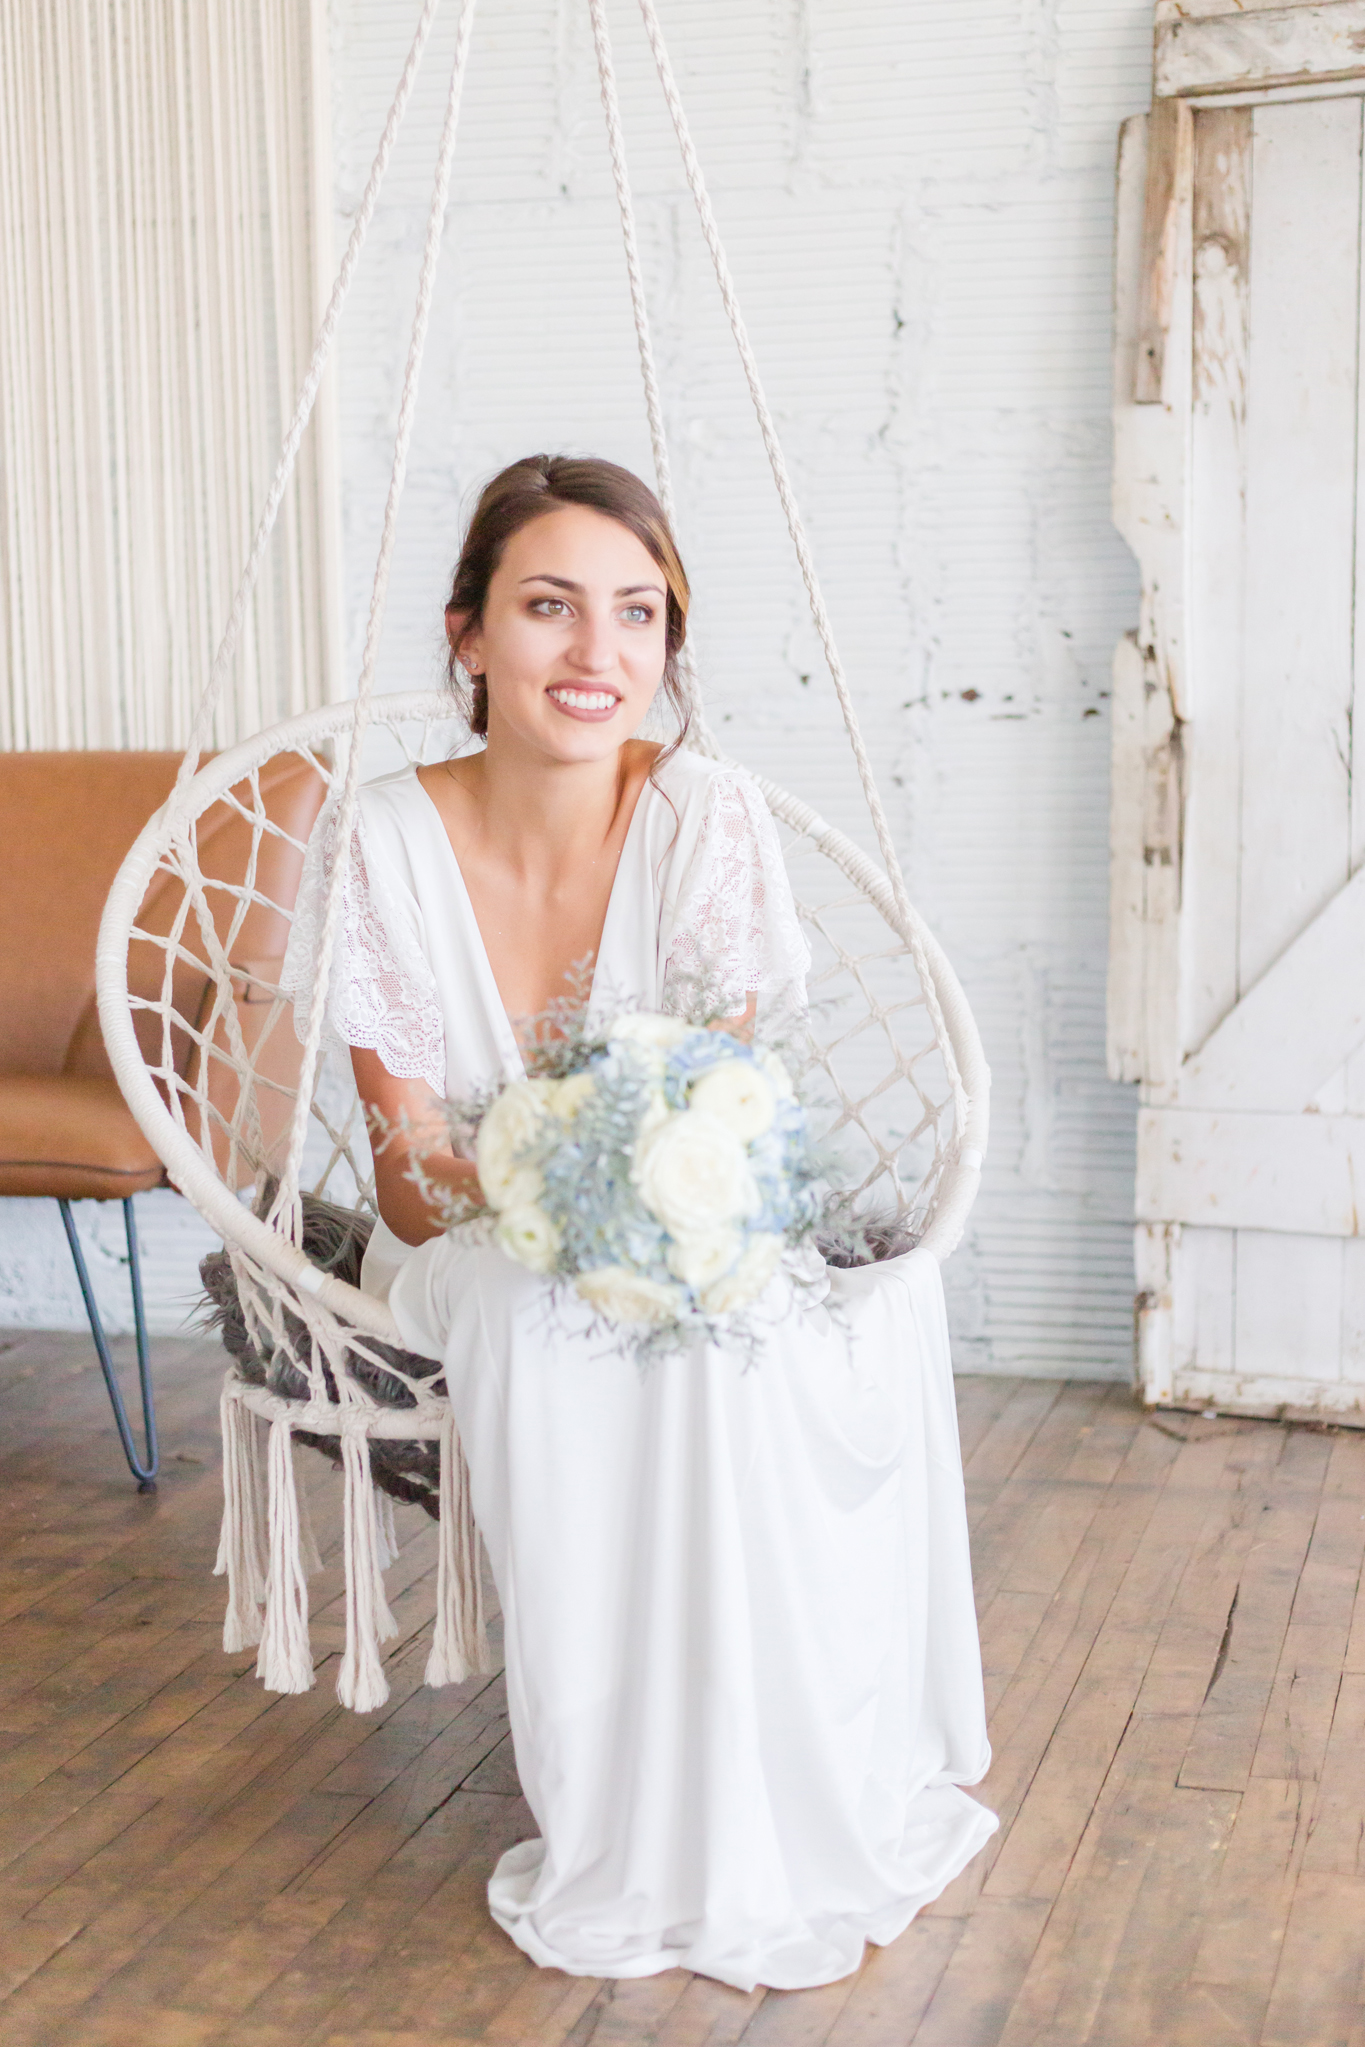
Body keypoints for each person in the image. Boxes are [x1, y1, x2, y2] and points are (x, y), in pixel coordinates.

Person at [283, 453, 997, 1993]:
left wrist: (633, 1206)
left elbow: (709, 1116)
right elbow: (408, 1174)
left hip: (674, 1224)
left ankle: (761, 1802)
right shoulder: (378, 840)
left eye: (636, 613)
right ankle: (631, 1829)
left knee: (728, 1332)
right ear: (469, 634)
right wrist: (550, 1191)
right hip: (469, 1247)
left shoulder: (702, 818)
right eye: (549, 606)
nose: (596, 652)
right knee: (549, 1317)